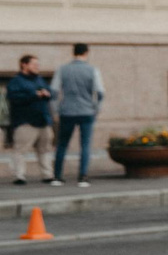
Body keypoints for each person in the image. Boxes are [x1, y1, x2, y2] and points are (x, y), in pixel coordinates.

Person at [51, 42, 102, 186]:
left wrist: (56, 109)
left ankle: (57, 176)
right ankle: (83, 176)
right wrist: (96, 109)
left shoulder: (63, 69)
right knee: (85, 145)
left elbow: (54, 91)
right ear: (86, 52)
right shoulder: (92, 70)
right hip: (86, 111)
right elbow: (99, 92)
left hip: (67, 111)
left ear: (73, 52)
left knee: (62, 144)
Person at [7, 54, 52, 185]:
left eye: (37, 64)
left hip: (43, 120)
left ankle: (47, 175)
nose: (37, 67)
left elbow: (49, 92)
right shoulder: (16, 81)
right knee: (20, 150)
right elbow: (14, 98)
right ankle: (19, 176)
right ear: (24, 65)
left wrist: (47, 93)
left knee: (45, 149)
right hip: (25, 121)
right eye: (34, 64)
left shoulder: (39, 79)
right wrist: (34, 94)